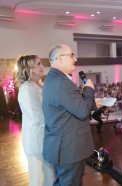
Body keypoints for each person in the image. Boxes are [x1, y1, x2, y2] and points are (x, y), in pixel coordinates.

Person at [42, 44, 96, 185]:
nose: (75, 58)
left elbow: (69, 107)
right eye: (71, 55)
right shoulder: (62, 82)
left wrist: (92, 102)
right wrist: (89, 90)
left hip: (63, 145)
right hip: (69, 147)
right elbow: (82, 111)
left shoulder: (52, 79)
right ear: (60, 59)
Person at [16, 55, 55, 186]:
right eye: (38, 64)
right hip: (36, 140)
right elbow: (37, 117)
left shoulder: (39, 86)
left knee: (49, 177)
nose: (42, 67)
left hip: (45, 137)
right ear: (29, 68)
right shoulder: (26, 89)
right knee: (39, 179)